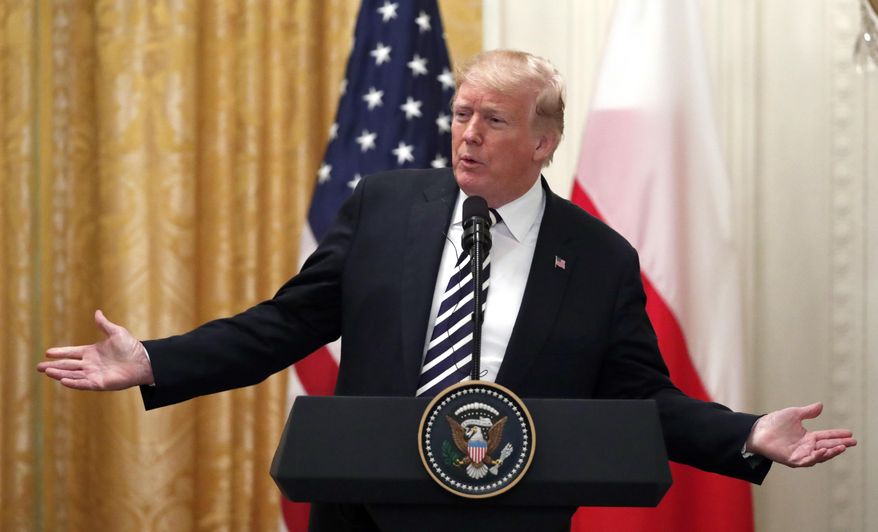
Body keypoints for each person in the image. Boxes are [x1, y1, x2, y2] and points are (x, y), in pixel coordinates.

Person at [38, 50, 856, 531]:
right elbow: (285, 326)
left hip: (512, 517)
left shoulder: (599, 257)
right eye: (461, 114)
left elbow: (640, 394)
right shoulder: (388, 208)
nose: (467, 135)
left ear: (543, 141)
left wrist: (747, 434)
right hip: (365, 515)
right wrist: (153, 361)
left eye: (493, 121)